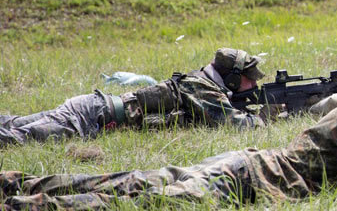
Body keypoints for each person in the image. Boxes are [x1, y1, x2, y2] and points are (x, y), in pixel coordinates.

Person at [1, 71, 337, 211]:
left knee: (134, 182)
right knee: (140, 201)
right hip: (243, 181)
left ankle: (17, 183)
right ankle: (22, 209)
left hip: (240, 166)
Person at [0, 48, 276, 147]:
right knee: (17, 138)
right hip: (91, 117)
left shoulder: (202, 83)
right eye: (248, 77)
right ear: (230, 78)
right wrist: (269, 115)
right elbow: (233, 123)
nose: (253, 82)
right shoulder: (201, 88)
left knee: (12, 124)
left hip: (93, 107)